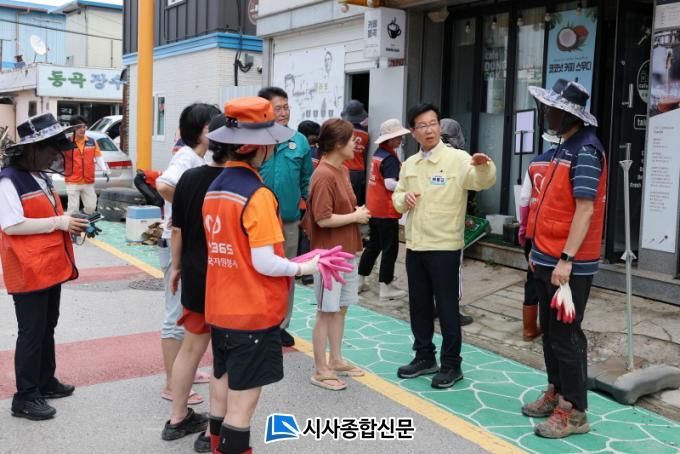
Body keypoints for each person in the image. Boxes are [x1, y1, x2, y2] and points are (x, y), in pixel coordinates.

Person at [203, 96, 319, 454]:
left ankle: (215, 445)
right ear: (258, 147)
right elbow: (266, 263)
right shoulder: (257, 195)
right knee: (243, 403)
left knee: (221, 382)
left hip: (220, 306)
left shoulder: (216, 187)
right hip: (251, 311)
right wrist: (305, 267)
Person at [522, 79, 607, 439]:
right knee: (551, 333)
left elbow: (585, 210)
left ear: (570, 114)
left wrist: (566, 259)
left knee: (567, 337)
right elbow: (548, 205)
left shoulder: (585, 150)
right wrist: (537, 252)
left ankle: (574, 412)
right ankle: (556, 391)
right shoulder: (563, 147)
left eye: (553, 109)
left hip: (567, 263)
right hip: (546, 257)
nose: (547, 114)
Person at [393, 103, 496, 389]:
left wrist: (484, 165)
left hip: (445, 246)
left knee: (448, 308)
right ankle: (424, 356)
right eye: (422, 125)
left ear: (439, 126)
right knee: (419, 305)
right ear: (413, 132)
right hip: (416, 245)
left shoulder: (457, 159)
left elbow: (480, 181)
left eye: (433, 123)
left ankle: (452, 364)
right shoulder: (410, 164)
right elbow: (397, 196)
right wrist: (403, 200)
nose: (429, 130)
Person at [0, 113, 89, 420]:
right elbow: (11, 225)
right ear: (32, 149)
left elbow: (46, 215)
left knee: (47, 326)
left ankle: (45, 381)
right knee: (31, 332)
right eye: (51, 146)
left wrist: (69, 223)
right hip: (27, 270)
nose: (56, 153)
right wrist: (59, 222)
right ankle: (25, 396)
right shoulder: (9, 179)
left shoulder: (41, 176)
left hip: (48, 266)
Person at [161, 115, 229, 453]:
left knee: (190, 349)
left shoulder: (189, 177)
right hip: (227, 279)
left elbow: (177, 229)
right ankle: (213, 431)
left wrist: (176, 267)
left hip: (194, 274)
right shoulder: (239, 183)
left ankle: (177, 418)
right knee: (224, 356)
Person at [156, 103, 221, 407]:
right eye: (214, 126)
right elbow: (163, 185)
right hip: (174, 243)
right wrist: (186, 209)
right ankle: (172, 383)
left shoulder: (197, 158)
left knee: (184, 312)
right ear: (203, 130)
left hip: (182, 241)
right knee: (174, 315)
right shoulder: (186, 157)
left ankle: (184, 373)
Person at [302, 118, 368, 391]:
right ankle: (320, 369)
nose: (356, 143)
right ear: (338, 144)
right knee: (326, 311)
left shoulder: (341, 170)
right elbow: (322, 218)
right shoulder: (324, 174)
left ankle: (336, 359)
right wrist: (355, 216)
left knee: (340, 308)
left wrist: (354, 213)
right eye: (352, 139)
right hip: (329, 255)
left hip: (346, 250)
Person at [258, 86, 314, 348]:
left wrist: (312, 212)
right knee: (257, 272)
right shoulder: (256, 139)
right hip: (257, 220)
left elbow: (306, 181)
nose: (283, 113)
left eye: (286, 107)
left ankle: (280, 325)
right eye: (277, 108)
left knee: (286, 273)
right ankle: (257, 321)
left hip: (289, 221)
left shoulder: (299, 141)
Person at [358, 118, 408, 301]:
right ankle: (385, 287)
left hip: (374, 208)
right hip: (386, 211)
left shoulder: (378, 154)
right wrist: (407, 186)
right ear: (391, 139)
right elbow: (389, 184)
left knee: (373, 246)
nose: (401, 140)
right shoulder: (390, 159)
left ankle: (359, 281)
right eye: (399, 137)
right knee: (390, 249)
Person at [517, 133, 559, 342]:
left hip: (534, 231)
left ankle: (529, 328)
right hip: (559, 232)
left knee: (533, 277)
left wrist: (523, 228)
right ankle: (553, 327)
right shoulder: (570, 162)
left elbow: (524, 199)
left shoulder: (535, 163)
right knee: (556, 279)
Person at [439, 118, 475, 327]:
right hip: (451, 223)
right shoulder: (460, 158)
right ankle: (452, 310)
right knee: (454, 267)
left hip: (429, 224)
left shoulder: (428, 153)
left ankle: (433, 305)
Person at [64, 116, 110, 214]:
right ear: (73, 128)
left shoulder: (92, 141)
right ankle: (73, 221)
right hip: (72, 180)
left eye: (84, 126)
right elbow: (58, 158)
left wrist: (104, 169)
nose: (82, 129)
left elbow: (98, 156)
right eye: (79, 127)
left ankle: (83, 216)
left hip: (88, 180)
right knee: (73, 209)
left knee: (91, 207)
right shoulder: (67, 142)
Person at [340, 100, 370, 206]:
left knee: (343, 200)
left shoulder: (343, 132)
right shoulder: (366, 134)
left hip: (345, 169)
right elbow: (365, 154)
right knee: (355, 200)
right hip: (360, 171)